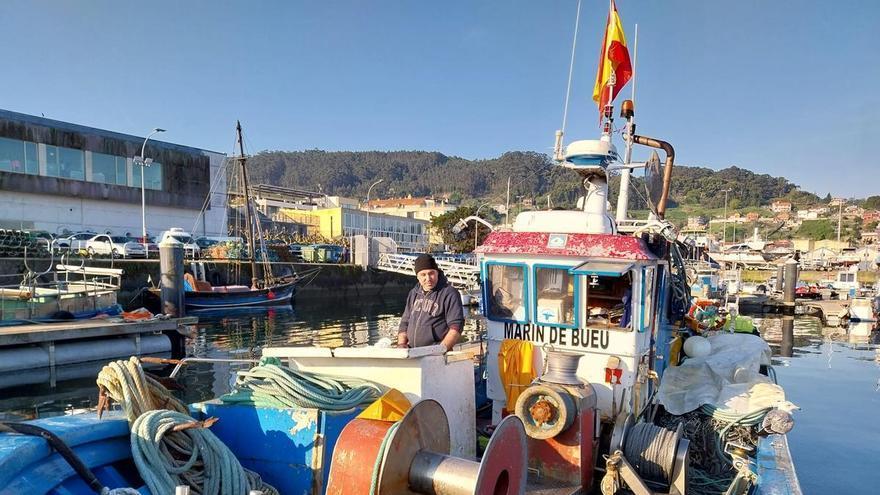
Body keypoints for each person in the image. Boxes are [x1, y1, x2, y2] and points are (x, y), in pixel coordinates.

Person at [397, 254, 464, 351]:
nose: (428, 278)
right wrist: (402, 344)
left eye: (431, 273)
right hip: (413, 352)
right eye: (423, 274)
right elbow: (404, 322)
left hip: (436, 354)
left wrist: (440, 350)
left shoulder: (449, 293)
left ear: (437, 273)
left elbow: (456, 326)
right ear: (417, 276)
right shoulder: (413, 293)